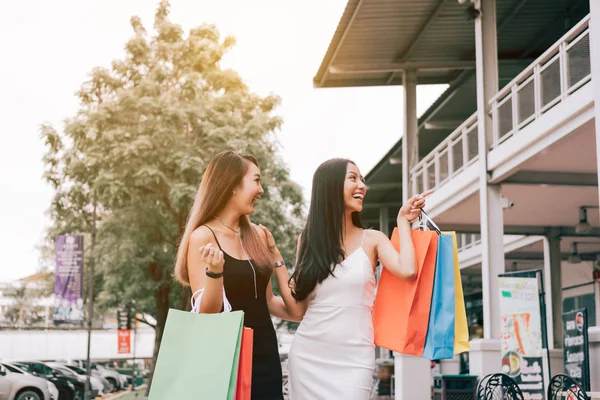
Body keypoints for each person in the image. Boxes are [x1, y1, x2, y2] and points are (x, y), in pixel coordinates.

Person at [280, 158, 432, 400]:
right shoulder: (307, 241)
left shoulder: (373, 239)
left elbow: (408, 270)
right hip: (308, 354)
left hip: (355, 356)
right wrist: (275, 271)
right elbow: (299, 307)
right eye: (353, 178)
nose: (362, 185)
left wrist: (403, 221)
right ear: (329, 186)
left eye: (362, 179)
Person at [174, 150, 298, 400]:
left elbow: (275, 303)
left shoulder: (258, 235)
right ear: (232, 186)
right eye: (256, 180)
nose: (261, 190)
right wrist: (215, 273)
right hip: (226, 357)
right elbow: (207, 314)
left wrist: (275, 255)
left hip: (265, 354)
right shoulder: (203, 236)